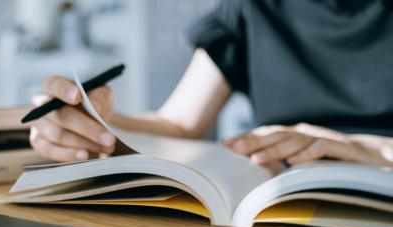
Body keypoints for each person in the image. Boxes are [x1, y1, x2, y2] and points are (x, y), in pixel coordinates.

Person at [29, 0, 393, 175]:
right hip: (288, 210)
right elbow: (179, 124)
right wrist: (88, 121)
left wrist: (371, 149)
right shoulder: (253, 8)